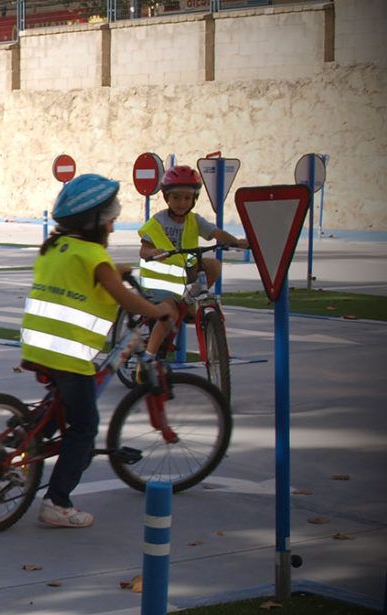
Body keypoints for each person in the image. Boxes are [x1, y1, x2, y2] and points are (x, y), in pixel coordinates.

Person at [20, 174, 173, 528]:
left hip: (37, 346)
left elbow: (80, 274)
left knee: (60, 406)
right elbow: (123, 297)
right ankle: (57, 502)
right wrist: (157, 311)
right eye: (110, 219)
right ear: (95, 224)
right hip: (70, 355)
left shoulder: (54, 247)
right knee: (85, 426)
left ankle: (28, 439)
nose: (113, 225)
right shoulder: (95, 256)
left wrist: (116, 270)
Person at [137, 165, 249, 355]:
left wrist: (236, 242)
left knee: (213, 265)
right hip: (160, 281)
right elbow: (143, 250)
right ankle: (149, 355)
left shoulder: (195, 220)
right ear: (167, 198)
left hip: (184, 272)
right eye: (176, 197)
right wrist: (153, 252)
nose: (181, 202)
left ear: (194, 200)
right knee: (168, 315)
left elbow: (216, 233)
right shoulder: (158, 222)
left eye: (187, 198)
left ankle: (188, 304)